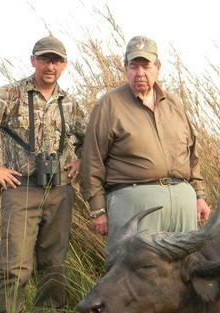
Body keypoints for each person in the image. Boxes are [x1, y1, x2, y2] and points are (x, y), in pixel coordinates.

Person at [0, 36, 87, 313]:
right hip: (20, 189)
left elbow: (92, 139)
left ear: (64, 65)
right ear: (33, 61)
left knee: (54, 263)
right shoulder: (11, 95)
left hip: (60, 191)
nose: (49, 66)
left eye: (56, 60)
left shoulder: (70, 104)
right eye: (44, 59)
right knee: (14, 263)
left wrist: (80, 160)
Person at [81, 35, 211, 250]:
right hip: (134, 205)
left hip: (182, 202)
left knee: (186, 270)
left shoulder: (174, 103)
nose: (140, 73)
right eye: (134, 66)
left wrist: (199, 195)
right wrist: (98, 209)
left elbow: (191, 154)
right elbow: (92, 159)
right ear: (125, 68)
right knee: (136, 276)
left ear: (158, 67)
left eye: (146, 66)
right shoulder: (109, 105)